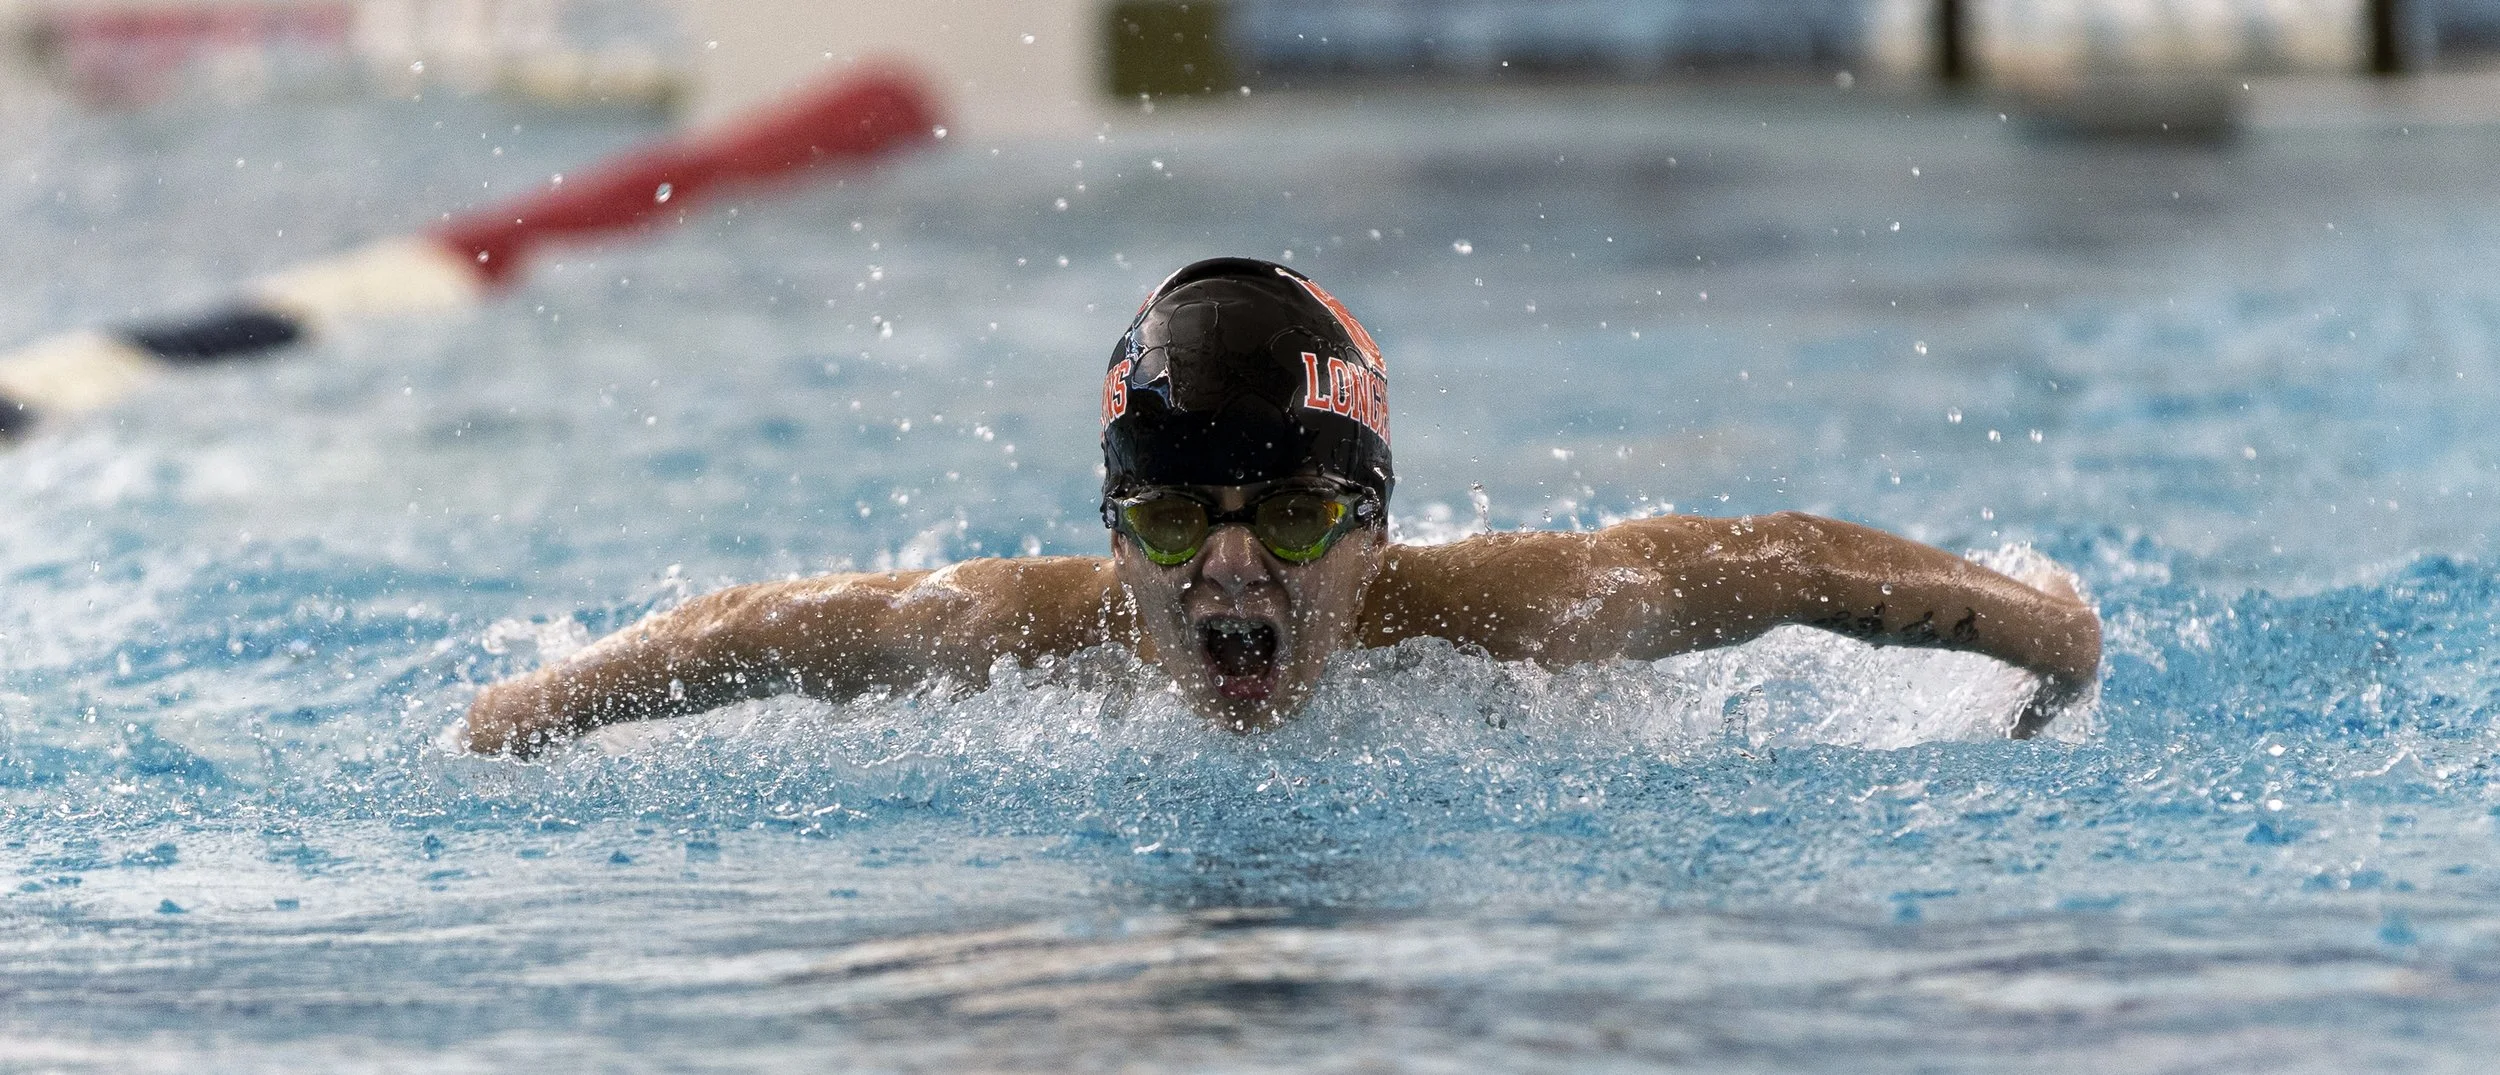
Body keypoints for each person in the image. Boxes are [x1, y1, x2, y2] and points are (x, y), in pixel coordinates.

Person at [463, 257, 2101, 755]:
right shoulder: (1022, 636)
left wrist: (2043, 631)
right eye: (1179, 520)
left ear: (1377, 532)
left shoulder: (1511, 617)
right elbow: (760, 633)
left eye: (1297, 515)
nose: (1233, 569)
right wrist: (537, 708)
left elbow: (1782, 560)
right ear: (1117, 539)